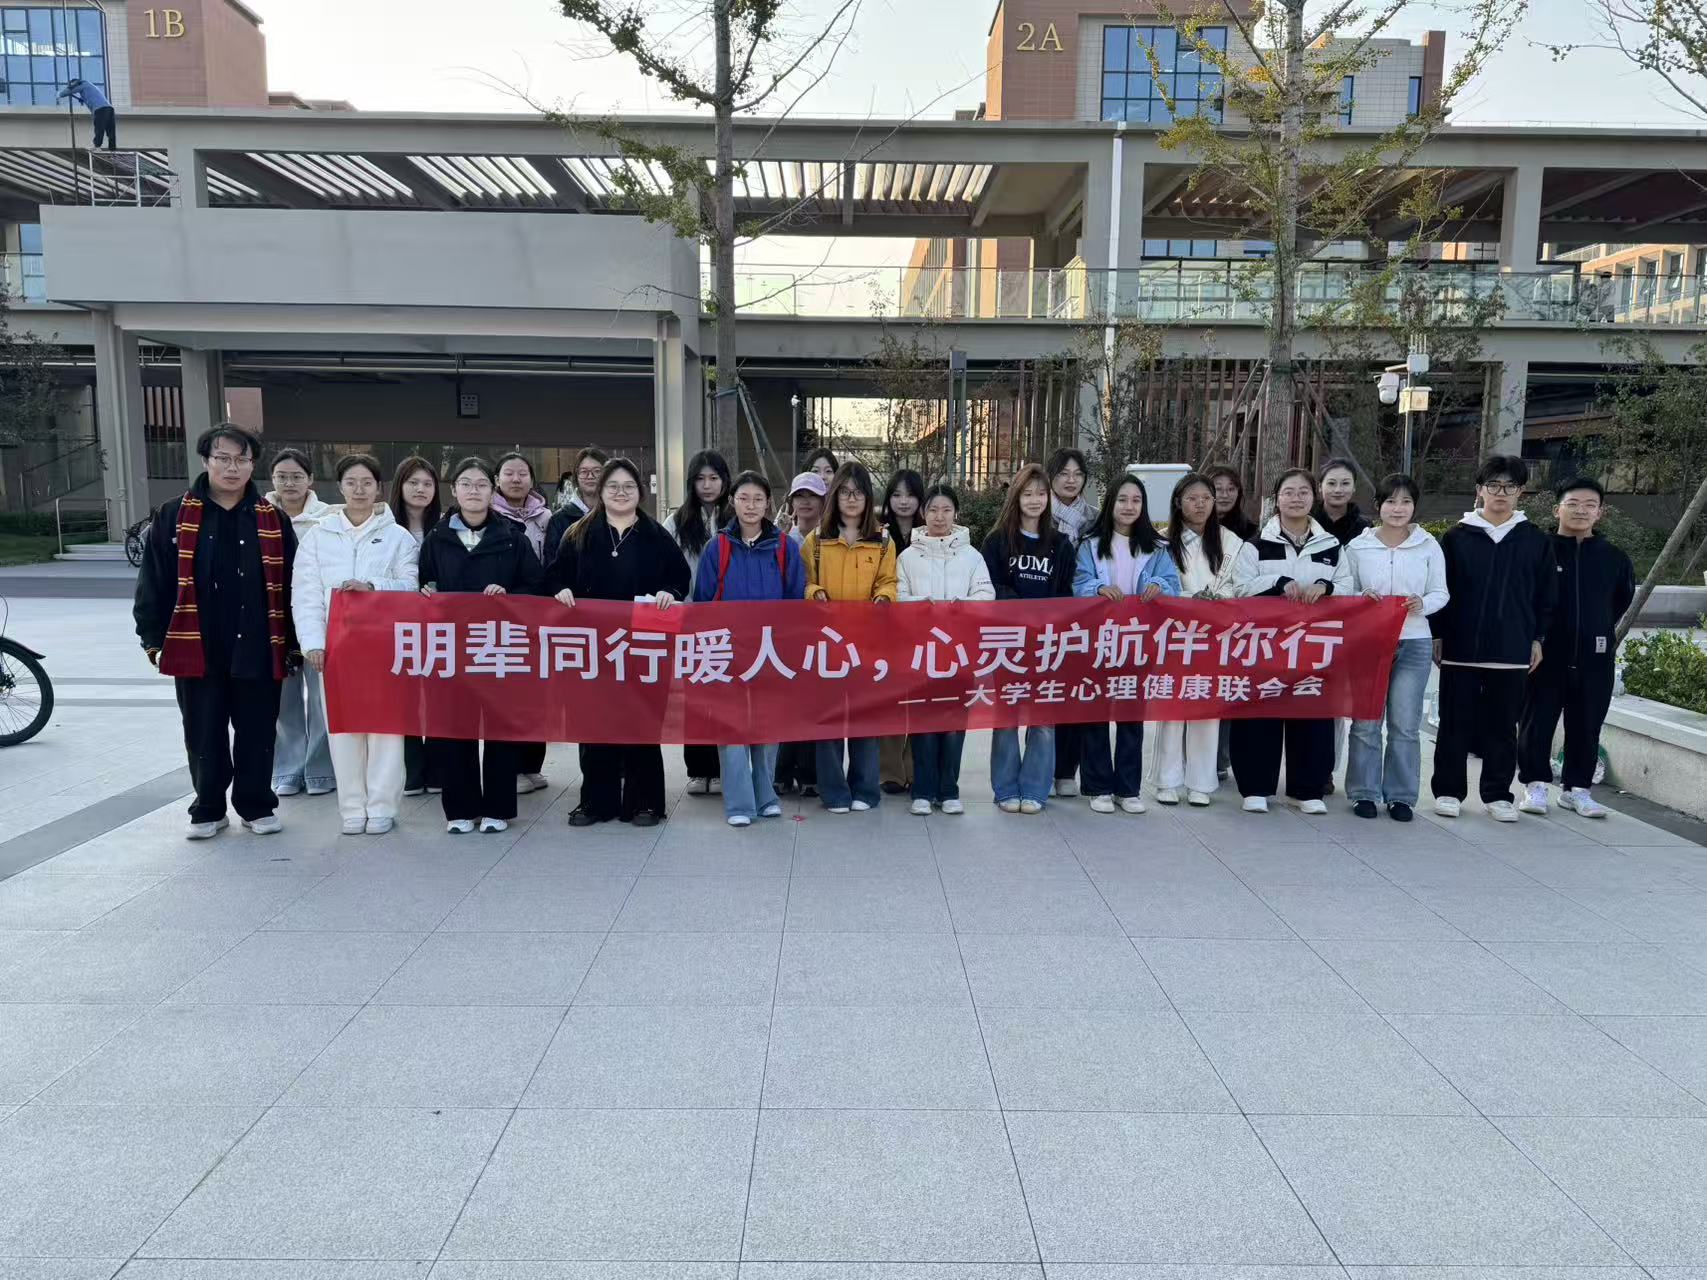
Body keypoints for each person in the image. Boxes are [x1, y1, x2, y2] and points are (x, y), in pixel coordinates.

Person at [134, 424, 297, 840]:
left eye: (242, 459)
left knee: (258, 731)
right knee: (203, 731)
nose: (232, 467)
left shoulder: (272, 519)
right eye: (223, 458)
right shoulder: (174, 515)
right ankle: (208, 807)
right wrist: (152, 640)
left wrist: (293, 645)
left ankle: (256, 805)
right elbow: (154, 582)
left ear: (253, 465)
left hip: (258, 644)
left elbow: (293, 586)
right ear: (206, 460)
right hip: (197, 645)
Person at [550, 458, 690, 828]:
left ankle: (645, 802)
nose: (620, 493)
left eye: (628, 486)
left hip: (643, 645)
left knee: (642, 722)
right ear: (601, 491)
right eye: (613, 486)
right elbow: (555, 576)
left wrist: (670, 592)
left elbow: (680, 577)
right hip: (595, 647)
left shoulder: (655, 535)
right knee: (596, 724)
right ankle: (596, 801)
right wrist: (560, 590)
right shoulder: (579, 533)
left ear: (640, 492)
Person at [291, 455, 421, 835]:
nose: (359, 490)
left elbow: (410, 586)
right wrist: (313, 643)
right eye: (351, 482)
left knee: (385, 728)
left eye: (367, 482)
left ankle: (381, 806)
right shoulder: (319, 536)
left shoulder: (398, 537)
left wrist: (373, 586)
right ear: (340, 487)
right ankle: (352, 808)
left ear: (378, 488)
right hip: (337, 649)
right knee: (343, 729)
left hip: (384, 647)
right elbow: (306, 594)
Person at [418, 457, 545, 834]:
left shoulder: (512, 537)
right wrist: (427, 592)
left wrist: (508, 594)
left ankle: (497, 809)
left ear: (493, 490)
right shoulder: (437, 538)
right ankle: (460, 809)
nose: (474, 491)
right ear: (454, 491)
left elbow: (535, 586)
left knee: (500, 729)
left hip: (498, 647)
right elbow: (423, 583)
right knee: (455, 727)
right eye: (466, 484)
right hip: (452, 647)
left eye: (481, 485)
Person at [1430, 455, 1557, 823]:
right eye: (1493, 485)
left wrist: (1537, 638)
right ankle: (1449, 791)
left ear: (1521, 492)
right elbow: (1441, 589)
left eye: (1510, 486)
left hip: (1512, 648)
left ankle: (1498, 794)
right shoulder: (1456, 537)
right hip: (1461, 647)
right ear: (1480, 490)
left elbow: (1546, 595)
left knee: (1503, 726)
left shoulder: (1535, 540)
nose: (1501, 493)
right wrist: (1439, 634)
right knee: (1454, 723)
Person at [1230, 468, 1354, 815]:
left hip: (1314, 646)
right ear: (1277, 499)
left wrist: (1327, 587)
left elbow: (1349, 588)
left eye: (1303, 492)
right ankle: (1256, 788)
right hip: (1266, 644)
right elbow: (1239, 588)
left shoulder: (1331, 546)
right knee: (1259, 712)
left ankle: (1307, 788)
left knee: (1312, 713)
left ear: (1314, 497)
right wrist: (1277, 582)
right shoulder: (1255, 545)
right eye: (1288, 492)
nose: (1296, 498)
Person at [691, 471, 808, 826]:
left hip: (770, 652)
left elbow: (795, 601)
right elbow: (703, 601)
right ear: (733, 502)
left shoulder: (785, 548)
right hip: (728, 651)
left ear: (768, 504)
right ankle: (739, 804)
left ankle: (766, 796)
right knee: (732, 729)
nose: (751, 505)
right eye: (744, 498)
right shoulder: (718, 548)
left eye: (758, 499)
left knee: (767, 727)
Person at [1518, 476, 1633, 821]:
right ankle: (1535, 784)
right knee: (1537, 721)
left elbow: (1620, 600)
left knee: (1587, 724)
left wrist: (1596, 629)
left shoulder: (1613, 557)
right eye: (1573, 504)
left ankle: (1577, 789)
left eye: (1589, 505)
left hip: (1594, 657)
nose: (1581, 511)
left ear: (1600, 513)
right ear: (1557, 509)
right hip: (1546, 653)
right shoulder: (1539, 549)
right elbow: (1524, 597)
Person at [1072, 473, 1182, 814]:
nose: (1129, 506)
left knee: (1131, 716)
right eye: (1122, 499)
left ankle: (1128, 788)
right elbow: (1078, 582)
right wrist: (1097, 588)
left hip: (1138, 642)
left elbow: (1173, 585)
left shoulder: (1158, 547)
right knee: (1095, 714)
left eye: (1136, 500)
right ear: (1110, 504)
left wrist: (1160, 585)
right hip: (1098, 641)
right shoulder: (1090, 544)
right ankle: (1098, 786)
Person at [1344, 474, 1449, 822]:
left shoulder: (1428, 545)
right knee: (1366, 721)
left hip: (1414, 641)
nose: (1397, 508)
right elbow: (1344, 589)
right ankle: (1363, 792)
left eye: (1405, 502)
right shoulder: (1358, 547)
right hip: (1369, 641)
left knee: (1404, 724)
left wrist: (1424, 603)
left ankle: (1401, 796)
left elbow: (1441, 592)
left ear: (1414, 507)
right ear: (1378, 506)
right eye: (1390, 501)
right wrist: (1361, 597)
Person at [981, 463, 1076, 814]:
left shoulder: (1061, 545)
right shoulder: (996, 542)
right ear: (1016, 497)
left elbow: (1066, 594)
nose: (1035, 500)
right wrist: (1024, 610)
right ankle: (1006, 788)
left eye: (1041, 493)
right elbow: (991, 588)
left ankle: (1035, 789)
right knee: (1006, 718)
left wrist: (1046, 618)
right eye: (1027, 493)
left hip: (1047, 644)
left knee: (1043, 720)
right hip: (1008, 644)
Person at [803, 461, 898, 813]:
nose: (852, 498)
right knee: (829, 720)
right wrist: (814, 593)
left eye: (858, 492)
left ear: (868, 497)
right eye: (844, 492)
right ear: (835, 497)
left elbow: (889, 581)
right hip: (827, 645)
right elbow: (804, 582)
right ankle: (834, 792)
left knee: (865, 720)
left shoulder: (883, 540)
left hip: (867, 644)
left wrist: (884, 598)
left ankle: (865, 790)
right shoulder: (816, 540)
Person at [897, 482, 995, 815]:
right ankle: (923, 791)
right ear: (923, 513)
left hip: (959, 653)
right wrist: (919, 604)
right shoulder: (907, 557)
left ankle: (949, 790)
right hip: (921, 654)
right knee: (923, 724)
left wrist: (961, 605)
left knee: (954, 724)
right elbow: (898, 597)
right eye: (933, 510)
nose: (939, 517)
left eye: (946, 510)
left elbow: (986, 596)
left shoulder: (972, 556)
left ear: (956, 513)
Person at [1153, 472, 1248, 807]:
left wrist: (1218, 600)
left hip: (1215, 633)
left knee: (1207, 707)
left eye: (1206, 498)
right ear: (1178, 502)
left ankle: (1201, 782)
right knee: (1172, 708)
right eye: (1192, 498)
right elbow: (1158, 586)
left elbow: (1240, 584)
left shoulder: (1230, 541)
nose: (1200, 504)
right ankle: (1167, 780)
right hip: (1175, 634)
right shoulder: (1162, 542)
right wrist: (1190, 599)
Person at [265, 447, 336, 798]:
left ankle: (321, 770)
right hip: (274, 619)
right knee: (283, 698)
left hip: (317, 616)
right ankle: (288, 769)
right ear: (272, 479)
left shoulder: (329, 518)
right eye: (282, 477)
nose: (289, 483)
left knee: (322, 698)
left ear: (310, 480)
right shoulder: (260, 516)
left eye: (296, 476)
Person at [664, 450, 733, 795]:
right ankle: (698, 769)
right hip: (689, 617)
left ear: (725, 481)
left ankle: (720, 768)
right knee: (693, 695)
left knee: (723, 695)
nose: (707, 485)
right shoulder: (676, 522)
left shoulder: (736, 517)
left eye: (714, 478)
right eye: (700, 479)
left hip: (727, 621)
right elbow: (664, 565)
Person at [490, 452, 554, 794]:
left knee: (536, 692)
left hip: (540, 611)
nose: (516, 479)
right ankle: (510, 767)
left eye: (522, 474)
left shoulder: (546, 517)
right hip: (502, 614)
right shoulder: (487, 516)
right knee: (507, 692)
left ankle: (532, 764)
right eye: (509, 473)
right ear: (497, 479)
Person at [390, 455, 441, 797]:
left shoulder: (446, 526)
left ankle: (437, 769)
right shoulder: (385, 527)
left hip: (438, 625)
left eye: (427, 483)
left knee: (438, 695)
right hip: (397, 625)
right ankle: (412, 769)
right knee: (404, 697)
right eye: (413, 482)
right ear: (400, 486)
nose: (420, 489)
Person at [878, 469, 927, 796]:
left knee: (920, 700)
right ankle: (890, 772)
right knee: (891, 700)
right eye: (896, 494)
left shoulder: (931, 534)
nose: (904, 501)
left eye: (910, 494)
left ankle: (913, 768)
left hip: (924, 629)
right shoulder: (879, 533)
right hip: (887, 629)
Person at [543, 447, 608, 567]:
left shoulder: (618, 514)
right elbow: (552, 566)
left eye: (597, 471)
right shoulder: (559, 519)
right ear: (576, 476)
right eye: (584, 471)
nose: (590, 476)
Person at [1314, 458, 1371, 546]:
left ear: (1354, 487)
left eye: (1345, 483)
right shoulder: (1307, 522)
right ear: (1320, 487)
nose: (1338, 490)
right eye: (1331, 483)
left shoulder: (1365, 528)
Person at [58, 78, 116, 151]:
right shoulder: (89, 85)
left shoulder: (82, 84)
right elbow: (91, 97)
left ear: (75, 83)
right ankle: (112, 150)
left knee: (99, 128)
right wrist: (82, 99)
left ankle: (97, 146)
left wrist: (59, 94)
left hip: (100, 109)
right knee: (110, 131)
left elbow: (66, 92)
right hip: (109, 108)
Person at [1208, 465, 1258, 541]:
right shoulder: (1194, 527)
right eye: (1218, 489)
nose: (1225, 495)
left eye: (1231, 489)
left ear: (1238, 492)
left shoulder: (1250, 531)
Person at [784, 471, 827, 548]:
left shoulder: (832, 537)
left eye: (813, 495)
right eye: (799, 495)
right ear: (792, 502)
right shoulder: (785, 536)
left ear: (823, 501)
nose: (805, 502)